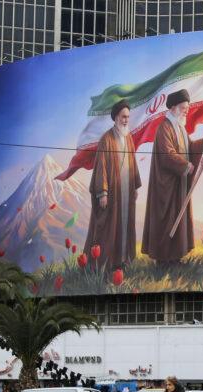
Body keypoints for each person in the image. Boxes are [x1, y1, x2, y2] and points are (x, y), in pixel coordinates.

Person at [142, 89, 203, 263]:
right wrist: (185, 165)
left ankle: (175, 259)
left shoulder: (179, 128)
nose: (186, 110)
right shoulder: (165, 128)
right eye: (184, 107)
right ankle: (163, 262)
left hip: (178, 184)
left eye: (187, 107)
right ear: (174, 107)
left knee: (178, 219)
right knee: (166, 221)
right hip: (166, 187)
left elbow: (190, 148)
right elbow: (167, 154)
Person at [84, 99, 142, 270]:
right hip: (112, 193)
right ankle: (107, 263)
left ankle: (122, 260)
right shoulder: (106, 139)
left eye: (128, 117)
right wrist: (102, 193)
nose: (126, 120)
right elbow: (100, 166)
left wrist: (135, 186)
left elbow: (133, 162)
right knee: (110, 227)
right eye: (123, 117)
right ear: (116, 117)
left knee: (125, 225)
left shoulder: (129, 138)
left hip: (126, 191)